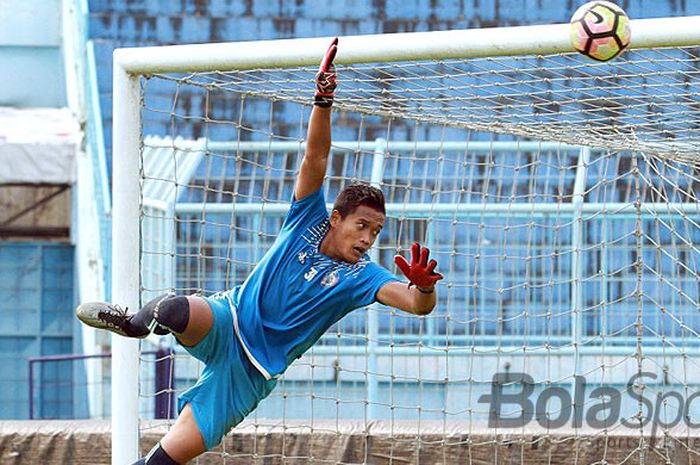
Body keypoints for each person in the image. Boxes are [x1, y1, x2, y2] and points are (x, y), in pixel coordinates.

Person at [77, 38, 443, 465]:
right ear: (335, 218)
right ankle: (134, 324)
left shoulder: (363, 276)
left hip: (249, 372)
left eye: (377, 232)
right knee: (175, 310)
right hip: (227, 318)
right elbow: (315, 156)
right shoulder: (306, 218)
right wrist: (323, 99)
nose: (367, 239)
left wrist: (424, 289)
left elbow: (416, 306)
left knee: (160, 463)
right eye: (362, 226)